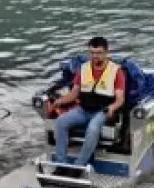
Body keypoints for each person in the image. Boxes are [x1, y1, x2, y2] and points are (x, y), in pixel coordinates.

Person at [47, 36, 126, 170]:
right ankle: (61, 164)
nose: (95, 56)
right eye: (92, 53)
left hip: (102, 111)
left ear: (106, 52)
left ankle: (78, 167)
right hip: (83, 110)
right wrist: (57, 102)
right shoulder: (83, 69)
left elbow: (120, 99)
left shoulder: (116, 71)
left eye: (99, 53)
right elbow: (74, 94)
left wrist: (112, 107)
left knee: (93, 128)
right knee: (61, 122)